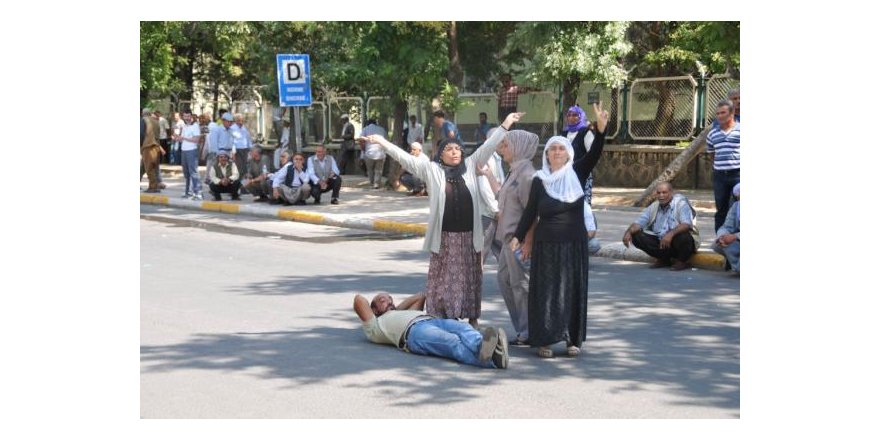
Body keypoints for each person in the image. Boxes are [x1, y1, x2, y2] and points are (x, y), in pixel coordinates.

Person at [363, 112, 524, 329]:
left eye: (457, 148)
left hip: (469, 235)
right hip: (445, 236)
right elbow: (405, 158)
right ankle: (446, 315)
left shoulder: (471, 164)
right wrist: (382, 142)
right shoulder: (432, 170)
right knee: (446, 279)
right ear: (441, 153)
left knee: (471, 276)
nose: (455, 151)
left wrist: (506, 123)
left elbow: (489, 145)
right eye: (449, 149)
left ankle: (472, 316)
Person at [510, 102, 608, 359]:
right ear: (546, 155)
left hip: (574, 244)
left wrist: (601, 129)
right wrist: (518, 237)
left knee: (572, 290)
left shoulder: (577, 171)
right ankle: (544, 339)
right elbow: (531, 212)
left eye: (560, 149)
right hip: (547, 244)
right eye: (552, 149)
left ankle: (572, 340)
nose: (556, 152)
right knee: (547, 293)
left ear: (568, 153)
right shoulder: (540, 180)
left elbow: (596, 152)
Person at [353, 292, 509, 369]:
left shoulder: (400, 312)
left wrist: (395, 309)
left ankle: (482, 345)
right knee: (452, 342)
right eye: (382, 300)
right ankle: (492, 360)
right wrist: (389, 310)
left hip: (431, 320)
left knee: (463, 327)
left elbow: (421, 296)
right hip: (413, 333)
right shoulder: (375, 326)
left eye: (390, 299)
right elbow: (359, 299)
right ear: (373, 310)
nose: (388, 301)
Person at [487, 129, 539, 346]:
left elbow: (532, 212)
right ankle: (522, 327)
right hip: (507, 239)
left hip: (518, 240)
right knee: (504, 280)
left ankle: (528, 330)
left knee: (520, 284)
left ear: (518, 147)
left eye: (507, 144)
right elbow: (503, 197)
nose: (503, 148)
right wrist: (488, 175)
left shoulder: (527, 175)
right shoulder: (514, 171)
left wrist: (528, 242)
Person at [622, 182, 699, 271]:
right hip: (662, 242)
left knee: (683, 236)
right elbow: (638, 223)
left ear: (671, 193)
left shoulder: (681, 204)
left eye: (664, 192)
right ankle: (664, 259)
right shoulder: (654, 206)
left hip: (678, 242)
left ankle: (682, 261)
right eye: (658, 193)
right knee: (636, 236)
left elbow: (686, 224)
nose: (661, 195)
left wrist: (670, 234)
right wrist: (628, 232)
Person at [706, 99, 741, 232]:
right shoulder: (712, 134)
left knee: (739, 207)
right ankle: (719, 239)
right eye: (718, 113)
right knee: (721, 208)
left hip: (738, 174)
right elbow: (712, 155)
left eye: (723, 113)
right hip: (720, 176)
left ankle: (737, 239)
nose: (719, 116)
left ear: (732, 113)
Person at [562, 104, 600, 205]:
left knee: (583, 204)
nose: (571, 117)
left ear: (581, 117)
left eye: (575, 115)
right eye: (569, 115)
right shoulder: (564, 134)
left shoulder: (586, 133)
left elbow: (592, 153)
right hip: (565, 174)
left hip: (582, 173)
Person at [173, 111, 203, 200]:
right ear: (183, 117)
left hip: (192, 151)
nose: (187, 118)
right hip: (183, 151)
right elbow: (181, 140)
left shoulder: (195, 126)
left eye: (188, 116)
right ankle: (188, 192)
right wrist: (176, 137)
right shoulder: (184, 126)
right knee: (186, 173)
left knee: (193, 172)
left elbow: (197, 140)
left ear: (191, 116)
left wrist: (184, 138)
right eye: (185, 116)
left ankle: (198, 193)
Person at [713, 183, 740, 275]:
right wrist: (722, 237)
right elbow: (726, 226)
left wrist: (735, 236)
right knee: (717, 244)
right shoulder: (736, 207)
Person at [358, 119, 388, 189]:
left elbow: (361, 140)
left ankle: (371, 183)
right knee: (378, 170)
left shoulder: (365, 129)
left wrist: (363, 149)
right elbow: (386, 141)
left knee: (370, 170)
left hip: (369, 153)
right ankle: (376, 184)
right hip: (380, 153)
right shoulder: (382, 129)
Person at [140, 108, 163, 193]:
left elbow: (141, 134)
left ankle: (153, 187)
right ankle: (156, 186)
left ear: (143, 114)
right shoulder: (156, 121)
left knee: (149, 168)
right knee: (154, 167)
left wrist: (141, 145)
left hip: (148, 146)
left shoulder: (143, 120)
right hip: (156, 147)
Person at [231, 114, 253, 180]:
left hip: (245, 149)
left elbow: (248, 138)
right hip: (237, 150)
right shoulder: (232, 128)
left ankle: (243, 181)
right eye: (239, 120)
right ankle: (238, 181)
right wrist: (233, 152)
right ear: (236, 120)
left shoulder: (244, 128)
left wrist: (251, 148)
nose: (241, 121)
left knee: (245, 166)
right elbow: (232, 141)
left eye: (241, 120)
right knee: (239, 167)